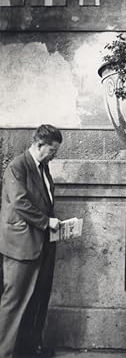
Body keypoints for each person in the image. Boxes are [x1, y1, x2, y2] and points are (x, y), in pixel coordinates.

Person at [0, 124, 63, 358]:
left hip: (42, 243)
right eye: (52, 151)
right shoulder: (17, 166)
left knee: (36, 300)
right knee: (14, 303)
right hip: (20, 246)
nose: (54, 155)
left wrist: (56, 225)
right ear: (39, 145)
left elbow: (44, 201)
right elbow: (20, 203)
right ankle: (4, 353)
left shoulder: (43, 168)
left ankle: (27, 350)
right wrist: (47, 222)